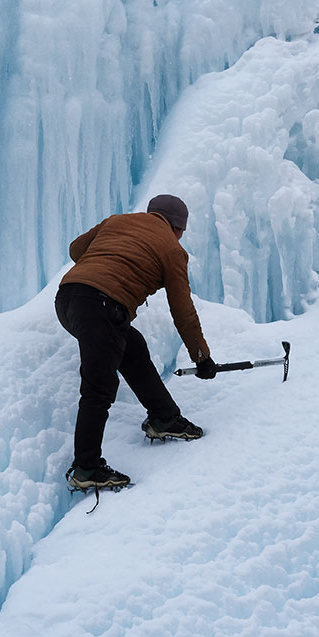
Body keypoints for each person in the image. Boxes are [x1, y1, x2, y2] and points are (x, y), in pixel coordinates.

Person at [56, 192, 218, 493]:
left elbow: (76, 249)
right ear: (178, 228)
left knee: (131, 346)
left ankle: (164, 417)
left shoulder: (118, 222)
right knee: (99, 386)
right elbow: (183, 311)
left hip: (68, 299)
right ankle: (87, 467)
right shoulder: (172, 249)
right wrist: (202, 358)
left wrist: (110, 256)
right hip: (101, 305)